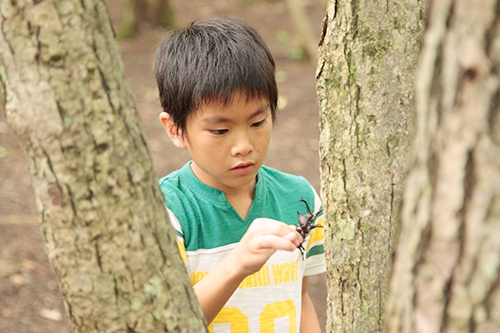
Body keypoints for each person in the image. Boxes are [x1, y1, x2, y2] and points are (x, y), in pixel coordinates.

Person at [155, 17, 326, 332]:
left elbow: (300, 298)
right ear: (175, 129)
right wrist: (236, 265)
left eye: (258, 122)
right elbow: (168, 325)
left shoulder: (299, 199)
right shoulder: (165, 212)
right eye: (220, 130)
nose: (243, 146)